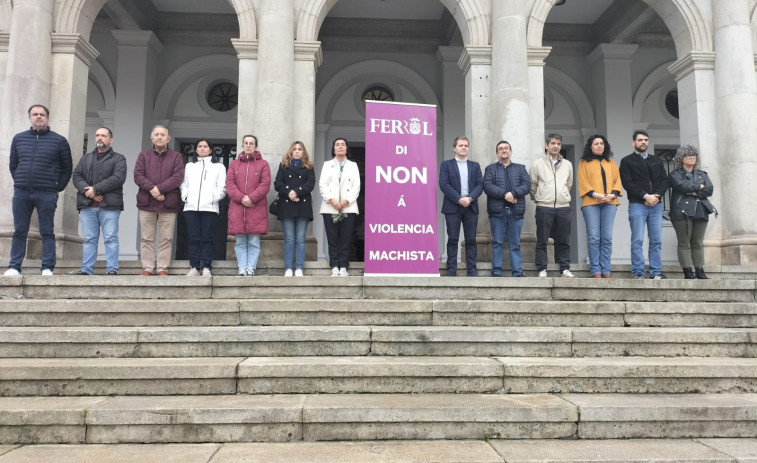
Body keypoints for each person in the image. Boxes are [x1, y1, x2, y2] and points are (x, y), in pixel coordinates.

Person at [4, 104, 72, 276]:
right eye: (35, 114)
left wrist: (57, 188)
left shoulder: (59, 141)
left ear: (47, 118)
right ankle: (14, 267)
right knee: (20, 230)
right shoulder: (19, 139)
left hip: (47, 193)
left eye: (42, 114)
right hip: (22, 192)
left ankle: (47, 267)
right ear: (30, 118)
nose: (39, 117)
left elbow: (67, 169)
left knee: (47, 231)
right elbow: (13, 165)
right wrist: (20, 179)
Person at [71, 127, 127, 276]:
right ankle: (86, 269)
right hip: (87, 205)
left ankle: (112, 269)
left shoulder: (119, 158)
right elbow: (76, 176)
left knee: (110, 238)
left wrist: (95, 189)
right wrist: (89, 192)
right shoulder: (86, 158)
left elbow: (118, 178)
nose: (99, 138)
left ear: (111, 140)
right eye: (97, 135)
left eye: (103, 135)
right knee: (89, 239)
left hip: (110, 206)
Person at [133, 125, 185, 276]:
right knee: (146, 238)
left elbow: (178, 177)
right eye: (157, 134)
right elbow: (138, 176)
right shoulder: (143, 156)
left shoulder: (176, 157)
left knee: (166, 238)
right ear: (152, 138)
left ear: (168, 139)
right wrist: (154, 191)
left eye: (163, 135)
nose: (160, 137)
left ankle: (162, 267)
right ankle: (148, 267)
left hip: (168, 204)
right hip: (146, 203)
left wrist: (160, 189)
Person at [619, 130, 669, 280]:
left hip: (656, 205)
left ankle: (655, 272)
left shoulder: (657, 160)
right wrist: (645, 195)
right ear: (633, 142)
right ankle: (638, 272)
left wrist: (656, 196)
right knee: (637, 240)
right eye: (640, 140)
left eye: (646, 140)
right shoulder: (627, 161)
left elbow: (664, 181)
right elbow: (627, 183)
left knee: (656, 240)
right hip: (637, 205)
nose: (643, 142)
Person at [483, 140, 530, 277]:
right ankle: (497, 271)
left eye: (506, 148)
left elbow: (526, 185)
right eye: (501, 149)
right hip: (497, 212)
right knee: (497, 242)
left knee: (515, 243)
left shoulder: (520, 168)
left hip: (516, 211)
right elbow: (488, 186)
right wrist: (506, 195)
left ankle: (517, 271)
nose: (504, 150)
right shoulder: (490, 169)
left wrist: (514, 194)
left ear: (511, 152)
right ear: (497, 153)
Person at [530, 133, 574, 278]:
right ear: (546, 145)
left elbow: (569, 184)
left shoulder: (568, 164)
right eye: (553, 143)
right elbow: (533, 185)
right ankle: (542, 268)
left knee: (564, 240)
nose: (556, 146)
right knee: (542, 239)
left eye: (558, 144)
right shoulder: (537, 164)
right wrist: (539, 198)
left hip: (563, 207)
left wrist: (563, 196)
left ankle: (565, 268)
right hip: (544, 206)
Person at [180, 138, 227, 277]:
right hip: (191, 207)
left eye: (205, 146)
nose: (202, 148)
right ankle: (194, 266)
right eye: (199, 146)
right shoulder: (189, 166)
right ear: (196, 150)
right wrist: (186, 197)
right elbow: (184, 184)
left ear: (210, 150)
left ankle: (206, 266)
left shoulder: (218, 167)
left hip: (210, 208)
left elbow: (222, 187)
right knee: (193, 238)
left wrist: (213, 199)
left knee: (207, 238)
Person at [577, 134, 622, 279]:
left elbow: (617, 181)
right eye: (596, 144)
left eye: (601, 143)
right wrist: (596, 194)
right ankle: (596, 270)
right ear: (590, 146)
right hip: (591, 203)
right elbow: (583, 182)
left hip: (610, 203)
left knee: (607, 237)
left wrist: (613, 194)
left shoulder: (611, 163)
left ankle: (606, 270)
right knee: (594, 237)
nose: (599, 146)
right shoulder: (584, 162)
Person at [668, 145, 716, 279]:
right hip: (681, 211)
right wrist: (699, 187)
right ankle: (688, 272)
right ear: (681, 158)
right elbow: (682, 186)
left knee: (698, 242)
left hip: (701, 210)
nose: (691, 157)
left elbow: (709, 190)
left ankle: (700, 271)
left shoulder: (702, 174)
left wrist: (694, 191)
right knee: (684, 242)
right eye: (688, 155)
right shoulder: (675, 174)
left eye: (694, 154)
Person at [226, 135, 270, 276]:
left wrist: (251, 198)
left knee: (253, 242)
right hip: (238, 209)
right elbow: (229, 184)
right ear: (243, 145)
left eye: (251, 143)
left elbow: (265, 185)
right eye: (246, 143)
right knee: (239, 242)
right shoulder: (234, 164)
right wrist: (241, 198)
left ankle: (250, 268)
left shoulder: (263, 164)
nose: (248, 145)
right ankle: (241, 268)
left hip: (256, 208)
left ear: (256, 146)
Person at [439, 136, 483, 277]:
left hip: (470, 206)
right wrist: (459, 199)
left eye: (466, 145)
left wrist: (469, 198)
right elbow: (444, 184)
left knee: (471, 240)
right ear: (454, 148)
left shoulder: (475, 166)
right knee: (452, 239)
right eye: (461, 145)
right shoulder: (446, 165)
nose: (464, 148)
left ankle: (472, 270)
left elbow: (480, 184)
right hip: (453, 207)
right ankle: (451, 270)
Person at [319, 138, 360, 276]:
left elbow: (356, 186)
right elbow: (322, 185)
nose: (340, 147)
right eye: (337, 145)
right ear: (334, 149)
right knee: (332, 238)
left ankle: (344, 266)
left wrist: (346, 201)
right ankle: (334, 266)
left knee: (346, 238)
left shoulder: (353, 165)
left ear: (347, 148)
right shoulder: (327, 165)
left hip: (348, 207)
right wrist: (332, 201)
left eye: (343, 145)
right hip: (330, 207)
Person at [274, 141, 315, 277]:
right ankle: (288, 268)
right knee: (289, 238)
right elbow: (278, 183)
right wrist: (289, 193)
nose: (297, 151)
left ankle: (298, 268)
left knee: (300, 238)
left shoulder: (309, 167)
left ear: (304, 152)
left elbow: (310, 184)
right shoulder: (284, 166)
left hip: (302, 205)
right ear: (291, 152)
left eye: (300, 149)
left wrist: (296, 192)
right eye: (295, 149)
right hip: (287, 205)